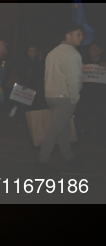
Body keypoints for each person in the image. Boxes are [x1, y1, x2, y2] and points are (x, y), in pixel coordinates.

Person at [37, 22, 84, 170]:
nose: (81, 37)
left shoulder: (52, 52)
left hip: (51, 96)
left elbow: (47, 76)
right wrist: (75, 98)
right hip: (65, 97)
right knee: (55, 130)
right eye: (78, 34)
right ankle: (42, 161)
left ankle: (69, 157)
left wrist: (47, 94)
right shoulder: (73, 54)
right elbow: (73, 79)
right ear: (68, 36)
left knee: (64, 128)